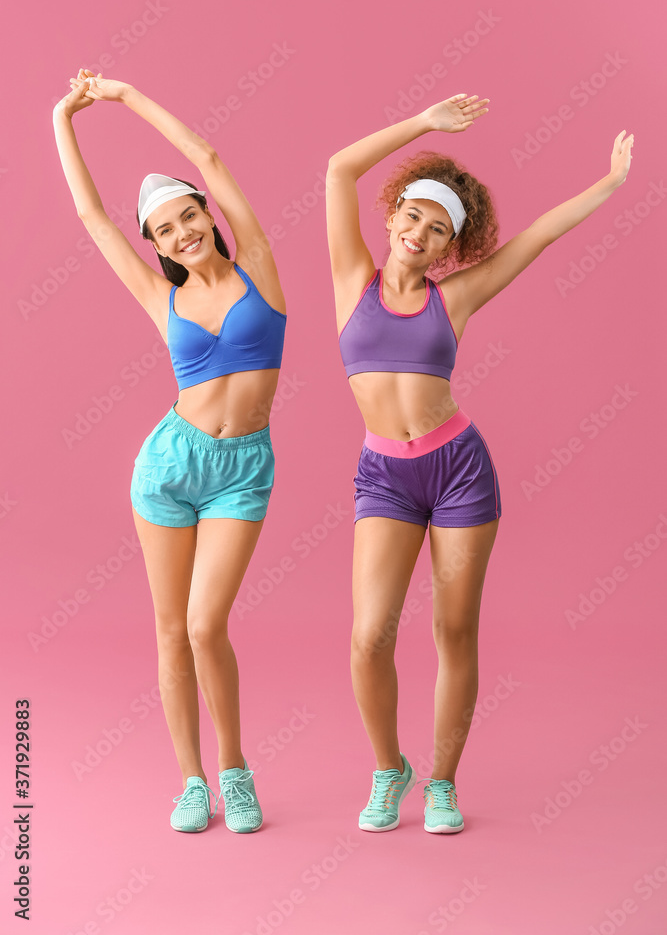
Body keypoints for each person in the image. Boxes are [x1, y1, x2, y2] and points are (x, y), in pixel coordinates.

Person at [326, 92, 633, 833]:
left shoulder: (454, 299)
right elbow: (338, 169)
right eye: (413, 218)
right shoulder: (350, 282)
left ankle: (441, 783)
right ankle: (387, 769)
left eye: (437, 231)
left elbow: (535, 239)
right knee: (368, 635)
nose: (419, 234)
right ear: (392, 214)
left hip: (458, 471)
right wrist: (423, 124)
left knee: (453, 631)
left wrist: (610, 184)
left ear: (446, 248)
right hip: (385, 476)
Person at [53, 70, 288, 834]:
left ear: (206, 219)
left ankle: (234, 769)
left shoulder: (258, 267)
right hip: (168, 468)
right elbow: (91, 218)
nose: (183, 231)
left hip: (241, 469)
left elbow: (210, 156)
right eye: (165, 229)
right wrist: (65, 117)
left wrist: (123, 97)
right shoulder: (163, 298)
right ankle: (191, 783)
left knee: (203, 625)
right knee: (169, 628)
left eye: (190, 216)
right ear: (156, 245)